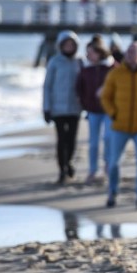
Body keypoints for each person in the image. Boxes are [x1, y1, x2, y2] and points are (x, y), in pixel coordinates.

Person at [100, 41, 137, 210]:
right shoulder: (116, 73)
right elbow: (106, 97)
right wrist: (113, 113)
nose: (129, 54)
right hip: (119, 126)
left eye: (133, 52)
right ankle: (112, 193)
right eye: (128, 51)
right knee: (113, 163)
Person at [43, 30, 83, 184]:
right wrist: (46, 108)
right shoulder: (54, 62)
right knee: (61, 139)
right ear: (61, 45)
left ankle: (69, 162)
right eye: (66, 44)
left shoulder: (80, 62)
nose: (69, 47)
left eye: (72, 44)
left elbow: (85, 85)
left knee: (72, 140)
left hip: (75, 108)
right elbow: (47, 86)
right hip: (57, 109)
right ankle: (62, 170)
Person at [76, 35, 114, 184]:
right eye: (87, 53)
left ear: (100, 52)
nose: (88, 55)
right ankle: (92, 171)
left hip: (109, 110)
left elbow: (120, 84)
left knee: (108, 139)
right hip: (92, 110)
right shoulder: (86, 69)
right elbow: (79, 88)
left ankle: (108, 167)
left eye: (90, 52)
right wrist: (84, 104)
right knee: (93, 143)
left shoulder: (112, 67)